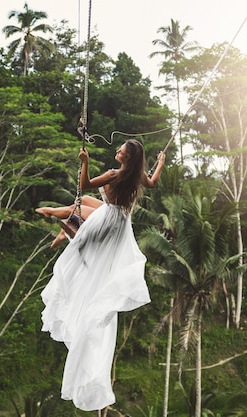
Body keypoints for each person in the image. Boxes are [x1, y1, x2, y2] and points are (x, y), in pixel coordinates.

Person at [40, 139, 165, 411]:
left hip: (106, 221)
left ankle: (64, 228)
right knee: (84, 205)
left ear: (127, 157)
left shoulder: (113, 175)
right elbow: (152, 183)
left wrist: (84, 162)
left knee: (82, 215)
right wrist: (161, 164)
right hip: (121, 224)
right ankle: (65, 231)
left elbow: (84, 184)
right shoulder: (136, 175)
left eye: (121, 150)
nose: (117, 151)